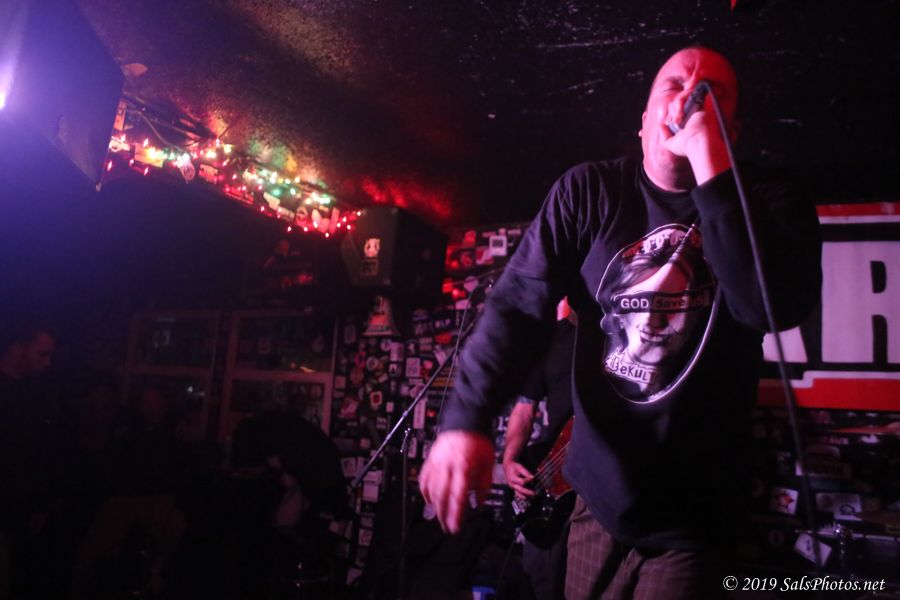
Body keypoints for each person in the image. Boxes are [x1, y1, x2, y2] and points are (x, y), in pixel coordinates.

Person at [419, 46, 822, 599]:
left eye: (712, 93)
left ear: (733, 130)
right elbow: (518, 305)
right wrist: (465, 419)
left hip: (694, 516)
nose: (691, 96)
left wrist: (711, 169)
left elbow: (767, 307)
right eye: (675, 85)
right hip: (598, 499)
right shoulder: (590, 191)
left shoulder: (771, 198)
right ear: (644, 119)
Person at [502, 299, 576, 600]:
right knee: (543, 579)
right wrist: (509, 460)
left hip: (598, 473)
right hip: (551, 472)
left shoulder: (614, 332)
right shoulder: (547, 341)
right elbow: (524, 409)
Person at [0, 323, 58, 600]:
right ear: (17, 349)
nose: (47, 363)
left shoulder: (32, 394)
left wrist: (38, 504)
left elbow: (34, 455)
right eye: (42, 354)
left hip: (16, 510)